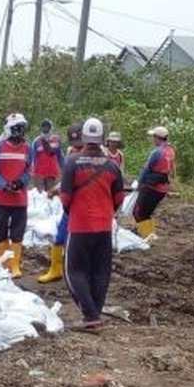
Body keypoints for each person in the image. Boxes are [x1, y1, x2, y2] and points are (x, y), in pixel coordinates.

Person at [60, 118, 125, 333]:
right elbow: (119, 198)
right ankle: (94, 312)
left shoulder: (72, 162)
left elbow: (65, 197)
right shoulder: (112, 165)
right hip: (104, 226)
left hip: (80, 225)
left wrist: (72, 211)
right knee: (100, 270)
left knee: (73, 270)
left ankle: (90, 316)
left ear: (84, 137)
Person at [0, 114, 34, 279]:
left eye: (22, 128)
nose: (20, 131)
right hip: (1, 198)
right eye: (17, 128)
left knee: (17, 233)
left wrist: (21, 182)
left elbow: (30, 169)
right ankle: (4, 263)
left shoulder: (27, 148)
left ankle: (15, 265)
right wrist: (4, 184)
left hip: (19, 199)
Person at [38, 123, 85, 283]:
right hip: (71, 204)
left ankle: (80, 271)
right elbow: (67, 177)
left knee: (81, 239)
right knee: (60, 236)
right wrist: (56, 189)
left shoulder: (95, 155)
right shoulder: (71, 152)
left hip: (85, 204)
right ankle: (56, 269)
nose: (77, 145)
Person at [134, 126, 175, 239]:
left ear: (157, 137)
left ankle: (148, 236)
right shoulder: (170, 150)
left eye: (153, 137)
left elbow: (146, 170)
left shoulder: (157, 152)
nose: (152, 139)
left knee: (139, 213)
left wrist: (139, 184)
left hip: (152, 188)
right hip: (162, 188)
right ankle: (146, 233)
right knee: (145, 213)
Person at [31, 120, 63, 193]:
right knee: (39, 195)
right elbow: (33, 158)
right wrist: (32, 172)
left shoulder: (56, 140)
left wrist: (64, 169)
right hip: (39, 174)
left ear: (51, 127)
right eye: (43, 127)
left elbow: (60, 157)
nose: (45, 128)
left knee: (50, 195)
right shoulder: (36, 141)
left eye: (47, 126)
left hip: (52, 173)